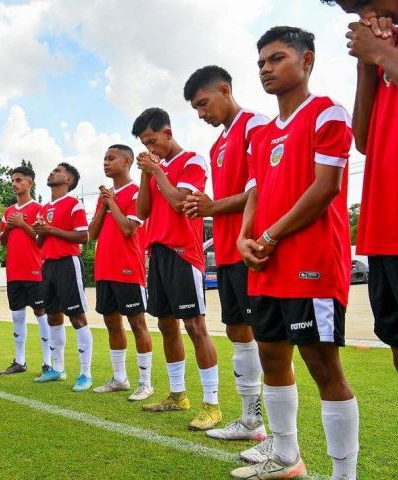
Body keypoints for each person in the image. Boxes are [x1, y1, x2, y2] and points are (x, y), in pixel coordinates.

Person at [231, 27, 359, 479]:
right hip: (266, 265)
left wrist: (268, 236)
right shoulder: (261, 134)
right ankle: (286, 458)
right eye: (262, 61)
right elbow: (254, 192)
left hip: (311, 265)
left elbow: (326, 187)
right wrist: (246, 238)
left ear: (307, 61)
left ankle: (346, 474)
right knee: (271, 357)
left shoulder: (327, 112)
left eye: (277, 58)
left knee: (323, 365)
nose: (266, 67)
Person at [183, 65, 270, 444]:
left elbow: (263, 187)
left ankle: (278, 437)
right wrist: (211, 209)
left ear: (224, 89)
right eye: (196, 109)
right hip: (228, 252)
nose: (202, 114)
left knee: (269, 340)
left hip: (254, 249)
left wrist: (212, 206)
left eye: (204, 104)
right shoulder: (218, 144)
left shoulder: (256, 125)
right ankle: (251, 420)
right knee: (237, 332)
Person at [132, 108, 222, 431]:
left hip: (183, 254)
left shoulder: (192, 161)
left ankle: (212, 404)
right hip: (156, 253)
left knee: (195, 327)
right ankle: (177, 395)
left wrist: (156, 172)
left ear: (168, 133)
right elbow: (142, 211)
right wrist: (147, 175)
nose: (150, 148)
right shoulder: (155, 168)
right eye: (145, 143)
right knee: (167, 326)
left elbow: (179, 203)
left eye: (153, 140)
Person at [322, 0, 398, 373]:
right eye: (352, 11)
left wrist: (381, 51)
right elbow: (364, 140)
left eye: (364, 4)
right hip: (383, 227)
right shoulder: (385, 43)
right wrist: (367, 64)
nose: (362, 18)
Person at [89, 145, 154, 402]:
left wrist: (112, 203)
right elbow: (91, 234)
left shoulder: (137, 192)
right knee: (111, 322)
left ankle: (146, 383)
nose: (105, 162)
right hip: (104, 268)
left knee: (137, 323)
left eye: (111, 158)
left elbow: (129, 229)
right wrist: (105, 204)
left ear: (127, 161)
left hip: (128, 267)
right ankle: (119, 378)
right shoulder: (106, 196)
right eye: (104, 158)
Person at [32, 163, 94, 392]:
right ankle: (57, 369)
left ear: (68, 180)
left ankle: (85, 373)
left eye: (58, 171)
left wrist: (50, 229)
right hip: (48, 266)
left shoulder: (73, 204)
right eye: (52, 170)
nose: (52, 172)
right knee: (53, 317)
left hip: (68, 263)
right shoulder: (44, 208)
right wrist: (40, 231)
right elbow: (40, 242)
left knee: (77, 317)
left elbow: (83, 236)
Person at [0, 166, 51, 376]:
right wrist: (10, 227)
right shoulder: (8, 211)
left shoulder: (39, 209)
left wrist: (22, 224)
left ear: (30, 183)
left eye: (19, 180)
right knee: (17, 316)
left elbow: (41, 240)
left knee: (41, 314)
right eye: (12, 180)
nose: (14, 183)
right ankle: (19, 361)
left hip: (35, 271)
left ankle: (47, 362)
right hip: (14, 272)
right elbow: (3, 241)